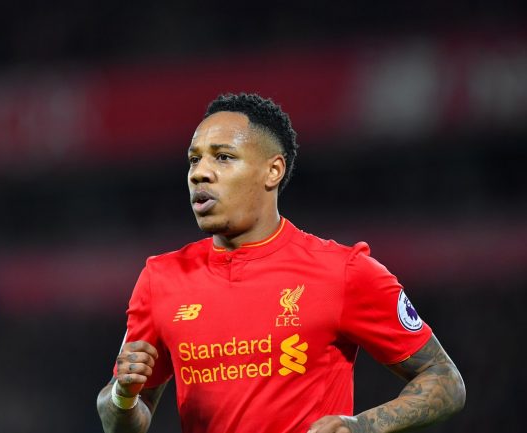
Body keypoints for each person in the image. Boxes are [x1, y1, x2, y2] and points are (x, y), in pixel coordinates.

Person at [96, 93, 466, 433]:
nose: (199, 173)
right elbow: (120, 421)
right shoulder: (161, 278)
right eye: (195, 159)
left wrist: (362, 427)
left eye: (223, 157)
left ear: (272, 171)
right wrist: (123, 396)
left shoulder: (343, 271)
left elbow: (444, 379)